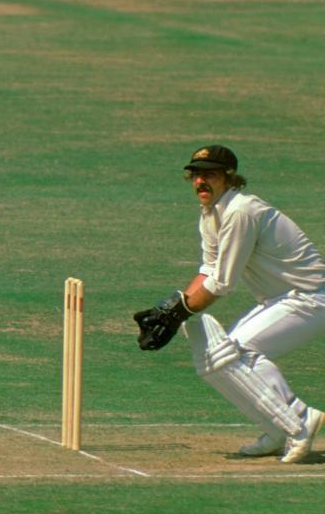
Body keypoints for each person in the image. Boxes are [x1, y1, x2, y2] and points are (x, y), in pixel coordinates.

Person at [133, 145, 325, 463]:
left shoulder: (240, 212)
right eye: (195, 175)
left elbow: (222, 283)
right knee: (215, 359)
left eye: (209, 175)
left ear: (229, 178)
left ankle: (300, 418)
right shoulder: (211, 214)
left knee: (236, 352)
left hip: (310, 297)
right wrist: (171, 311)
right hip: (283, 299)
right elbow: (207, 270)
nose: (200, 182)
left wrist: (177, 312)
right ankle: (278, 429)